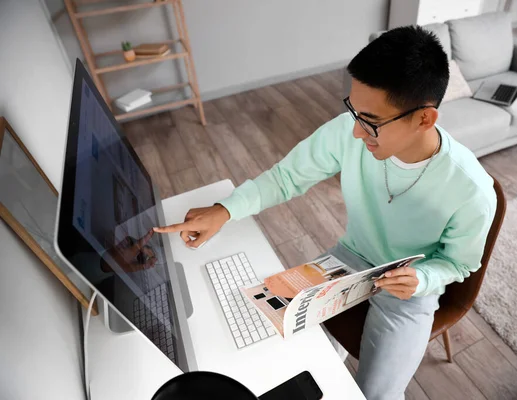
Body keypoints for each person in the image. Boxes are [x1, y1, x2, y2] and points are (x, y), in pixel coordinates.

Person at [154, 25, 497, 400]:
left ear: (424, 119)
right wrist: (225, 210)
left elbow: (459, 264)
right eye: (353, 110)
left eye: (371, 121)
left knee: (376, 396)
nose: (354, 132)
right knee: (266, 346)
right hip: (347, 261)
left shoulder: (472, 191)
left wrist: (423, 279)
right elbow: (286, 178)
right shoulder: (350, 132)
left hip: (407, 289)